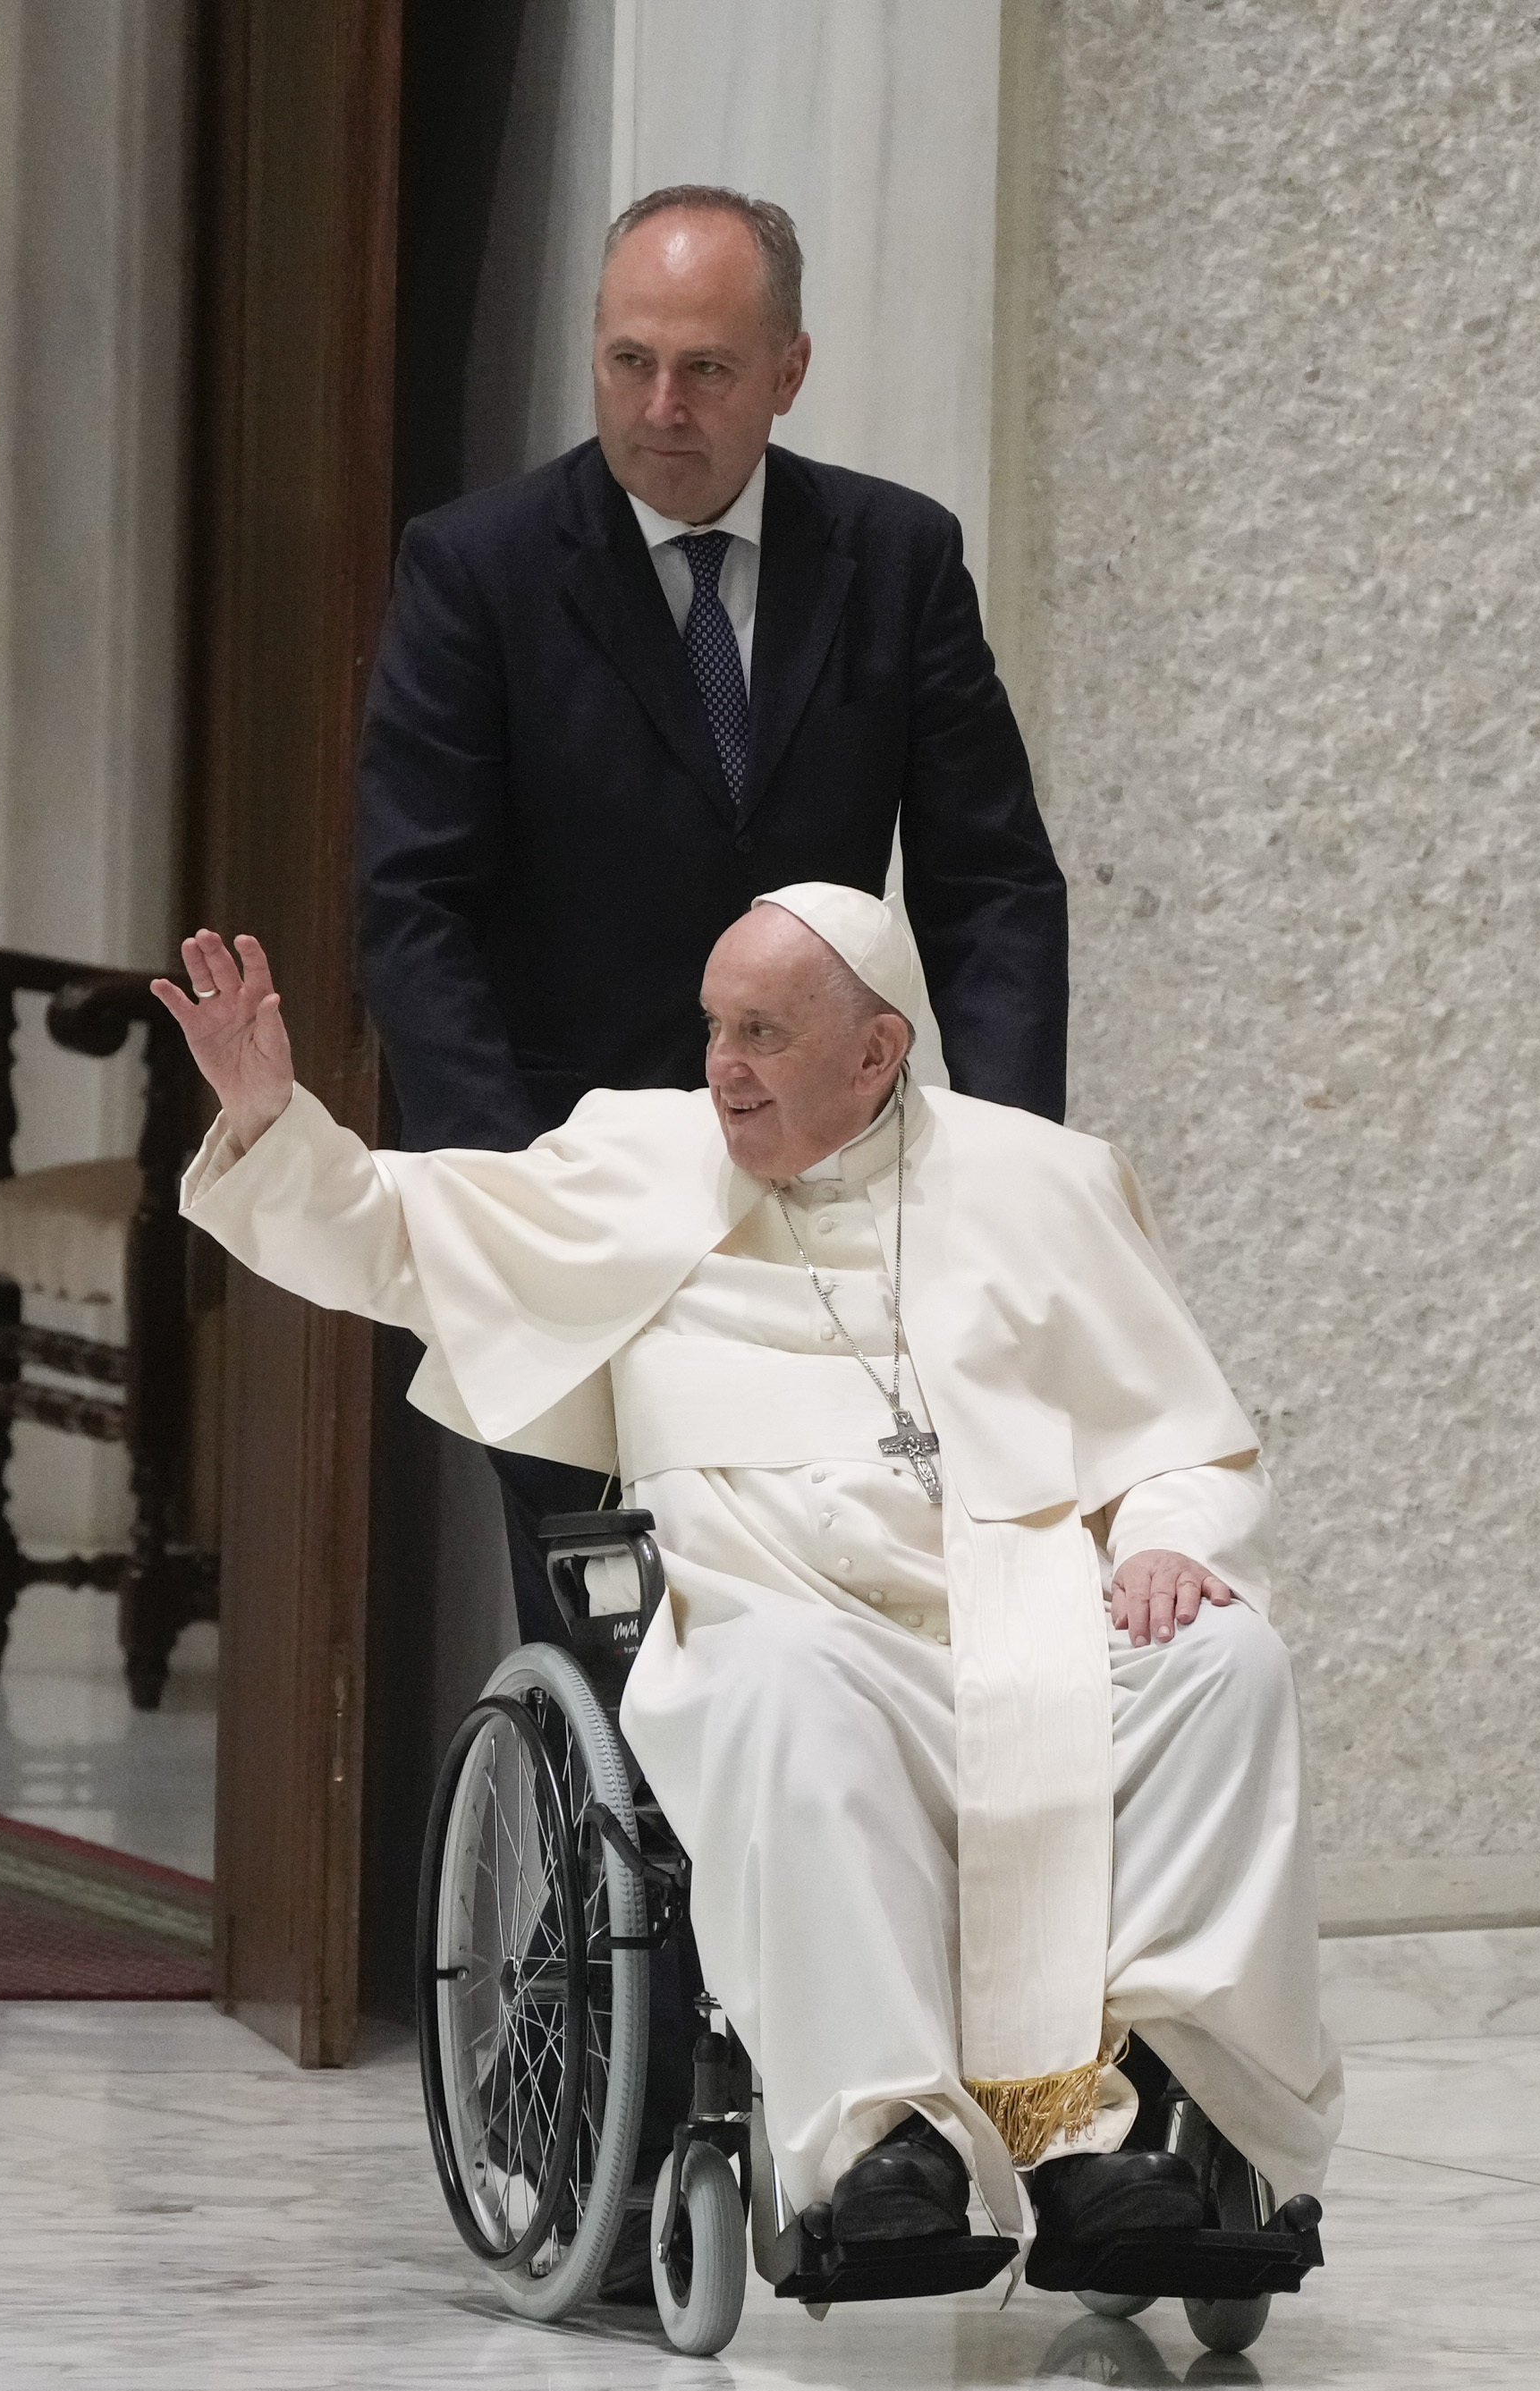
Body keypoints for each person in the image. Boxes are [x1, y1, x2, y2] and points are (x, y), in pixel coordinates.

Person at [158, 893, 1338, 2256]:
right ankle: (880, 2140)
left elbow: (1180, 1431)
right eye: (714, 1024)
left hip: (1030, 1616)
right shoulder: (637, 1160)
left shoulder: (1043, 1182)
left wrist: (1166, 1543)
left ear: (875, 1050)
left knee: (1223, 1661)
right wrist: (264, 1116)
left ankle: (1137, 2126)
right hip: (778, 1612)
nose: (721, 1063)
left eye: (763, 1031)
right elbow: (395, 1229)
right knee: (789, 1688)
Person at [353, 183, 1070, 1624]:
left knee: (834, 1613)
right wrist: (510, 1201)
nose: (660, 405)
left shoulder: (895, 561)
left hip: (829, 1189)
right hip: (570, 1189)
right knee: (617, 1636)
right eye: (629, 361)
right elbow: (414, 903)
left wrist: (1005, 1171)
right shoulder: (476, 572)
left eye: (706, 370)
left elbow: (989, 883)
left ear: (786, 373)